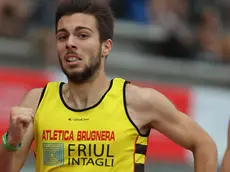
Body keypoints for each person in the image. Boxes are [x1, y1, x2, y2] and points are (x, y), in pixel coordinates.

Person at [0, 0, 218, 172]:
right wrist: (12, 140)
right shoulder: (36, 102)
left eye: (82, 35)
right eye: (62, 36)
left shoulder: (138, 101)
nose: (70, 43)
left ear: (106, 47)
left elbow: (204, 146)